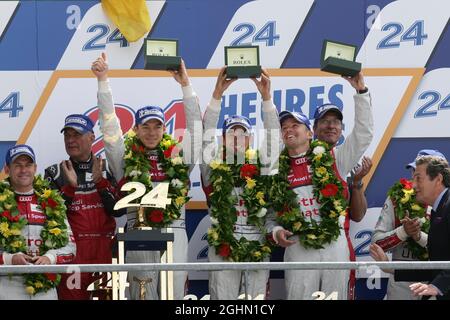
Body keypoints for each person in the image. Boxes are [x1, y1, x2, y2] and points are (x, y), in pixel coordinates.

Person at [93, 53, 202, 300]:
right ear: (136, 129)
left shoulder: (177, 157)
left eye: (157, 126)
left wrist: (186, 85)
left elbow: (197, 132)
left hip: (175, 232)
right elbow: (109, 128)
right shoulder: (124, 158)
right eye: (146, 126)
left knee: (173, 297)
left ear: (165, 129)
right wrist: (103, 81)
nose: (152, 132)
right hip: (138, 233)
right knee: (142, 296)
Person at [269, 71, 374, 300]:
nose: (289, 129)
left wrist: (361, 91)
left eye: (295, 125)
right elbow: (270, 216)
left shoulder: (334, 158)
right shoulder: (278, 165)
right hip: (298, 245)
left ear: (309, 133)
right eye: (285, 126)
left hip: (334, 246)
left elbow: (363, 135)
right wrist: (276, 231)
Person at [201, 68, 279, 300]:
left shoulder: (263, 167)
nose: (237, 137)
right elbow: (205, 134)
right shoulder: (211, 168)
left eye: (243, 133)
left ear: (250, 140)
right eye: (231, 133)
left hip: (256, 249)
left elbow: (274, 139)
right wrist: (217, 95)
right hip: (223, 250)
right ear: (223, 139)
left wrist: (266, 99)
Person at [44, 113, 124, 299]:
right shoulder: (55, 173)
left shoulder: (108, 168)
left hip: (105, 250)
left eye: (77, 135)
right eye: (67, 136)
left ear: (91, 137)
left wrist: (101, 183)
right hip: (72, 252)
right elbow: (50, 219)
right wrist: (70, 189)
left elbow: (119, 210)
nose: (71, 140)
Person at [0, 144, 76, 300]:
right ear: (7, 169)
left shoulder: (51, 201)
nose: (23, 170)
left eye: (28, 165)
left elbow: (71, 247)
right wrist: (9, 259)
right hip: (7, 286)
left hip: (45, 289)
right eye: (17, 165)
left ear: (35, 168)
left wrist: (50, 258)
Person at [371, 149, 446, 300]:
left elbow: (441, 250)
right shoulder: (396, 199)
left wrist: (418, 237)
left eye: (419, 176)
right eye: (413, 172)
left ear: (438, 178)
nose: (414, 181)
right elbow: (376, 243)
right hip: (401, 284)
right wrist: (403, 232)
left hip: (437, 283)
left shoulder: (443, 203)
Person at [409, 155, 450, 299]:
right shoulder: (439, 208)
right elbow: (438, 266)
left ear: (438, 179)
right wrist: (392, 268)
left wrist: (437, 286)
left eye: (418, 178)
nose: (413, 185)